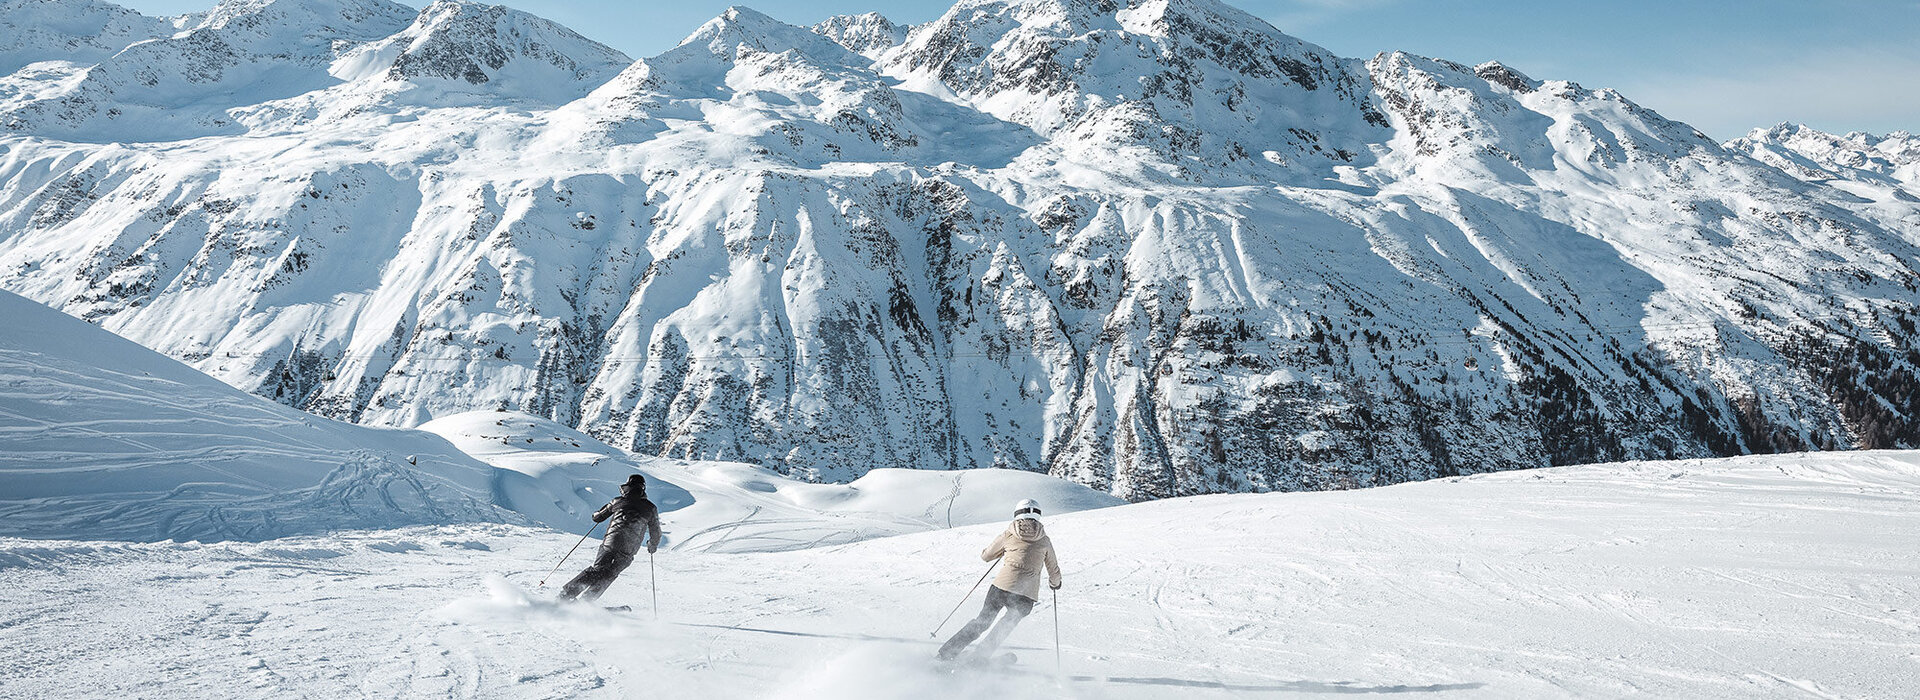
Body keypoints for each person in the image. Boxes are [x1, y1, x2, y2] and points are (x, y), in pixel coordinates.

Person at [937, 498, 1062, 662]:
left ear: (1017, 514)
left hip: (1001, 588)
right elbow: (1053, 570)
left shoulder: (1008, 534)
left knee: (982, 622)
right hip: (1026, 596)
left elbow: (986, 556)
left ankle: (947, 653)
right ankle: (979, 658)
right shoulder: (1044, 541)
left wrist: (1002, 551)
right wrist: (1055, 583)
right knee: (1004, 627)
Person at [559, 474, 663, 602]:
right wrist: (652, 545)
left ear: (627, 486)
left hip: (610, 543)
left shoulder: (617, 501)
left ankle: (565, 595)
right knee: (609, 575)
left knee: (596, 571)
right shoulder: (651, 508)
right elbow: (656, 531)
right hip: (628, 549)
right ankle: (585, 602)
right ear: (643, 488)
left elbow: (597, 517)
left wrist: (598, 514)